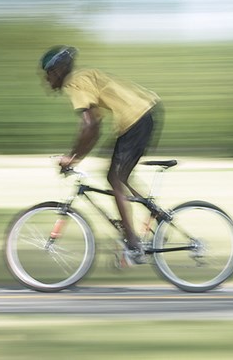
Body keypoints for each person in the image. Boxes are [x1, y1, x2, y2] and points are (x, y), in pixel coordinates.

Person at [39, 45, 162, 263]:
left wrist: (72, 158)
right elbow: (92, 128)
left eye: (47, 75)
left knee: (114, 178)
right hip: (138, 117)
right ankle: (152, 210)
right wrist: (75, 155)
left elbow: (90, 126)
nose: (47, 81)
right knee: (116, 175)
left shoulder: (74, 83)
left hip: (137, 119)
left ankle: (133, 243)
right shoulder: (82, 78)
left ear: (56, 71)